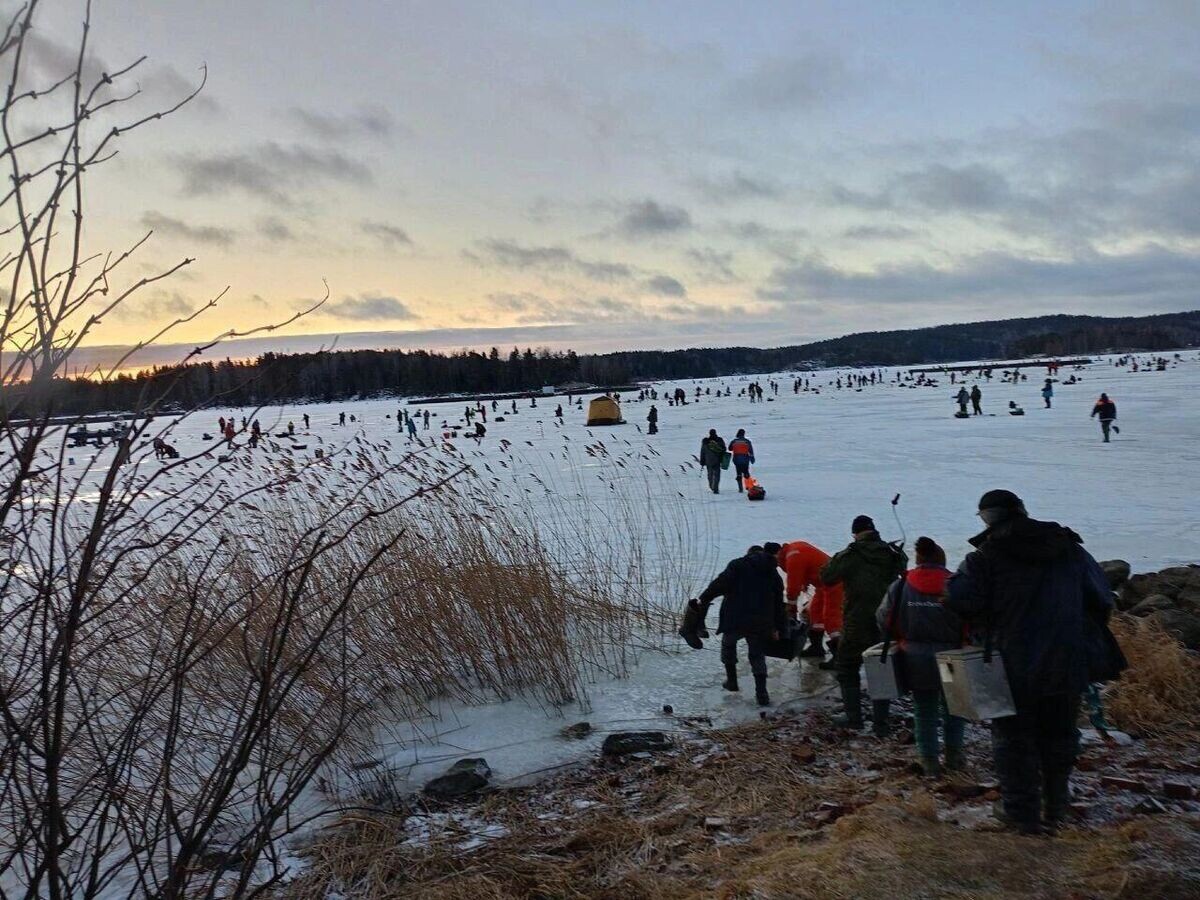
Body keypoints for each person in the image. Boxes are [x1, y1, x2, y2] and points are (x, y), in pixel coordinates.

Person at [946, 490, 1117, 834]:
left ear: (987, 519)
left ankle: (1021, 816)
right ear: (1021, 510)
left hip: (1011, 663)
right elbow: (1101, 598)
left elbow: (960, 598)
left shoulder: (985, 557)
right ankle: (1056, 808)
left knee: (1013, 740)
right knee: (1060, 735)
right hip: (1067, 660)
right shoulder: (1071, 550)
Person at [876, 537, 965, 776]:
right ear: (942, 560)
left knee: (924, 709)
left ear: (918, 559)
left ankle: (929, 761)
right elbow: (973, 619)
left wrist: (901, 638)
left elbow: (884, 618)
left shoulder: (901, 585)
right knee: (956, 707)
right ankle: (955, 757)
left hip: (915, 657)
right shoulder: (956, 585)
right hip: (953, 656)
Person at [820, 515, 907, 736]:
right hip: (886, 621)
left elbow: (827, 576)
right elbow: (904, 569)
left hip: (857, 621)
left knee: (847, 666)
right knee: (881, 667)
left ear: (855, 533)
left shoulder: (851, 555)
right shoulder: (891, 552)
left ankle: (853, 718)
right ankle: (881, 724)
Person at [693, 545, 787, 706]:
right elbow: (779, 604)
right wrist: (778, 628)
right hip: (760, 622)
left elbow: (718, 585)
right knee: (757, 655)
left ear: (748, 554)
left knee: (728, 645)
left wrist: (703, 599)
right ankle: (762, 694)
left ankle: (732, 682)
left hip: (735, 618)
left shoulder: (737, 565)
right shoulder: (772, 571)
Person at [775, 541, 843, 667]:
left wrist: (791, 606)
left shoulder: (793, 556)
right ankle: (816, 647)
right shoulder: (795, 548)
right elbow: (810, 565)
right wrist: (805, 581)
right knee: (815, 613)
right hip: (823, 584)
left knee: (831, 617)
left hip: (836, 583)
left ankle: (840, 657)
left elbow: (793, 586)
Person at [698, 429, 726, 494]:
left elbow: (702, 452)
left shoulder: (705, 441)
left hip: (708, 460)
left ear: (709, 433)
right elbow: (724, 449)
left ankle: (711, 486)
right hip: (717, 460)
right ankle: (716, 488)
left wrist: (702, 461)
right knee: (717, 475)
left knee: (710, 474)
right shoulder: (719, 440)